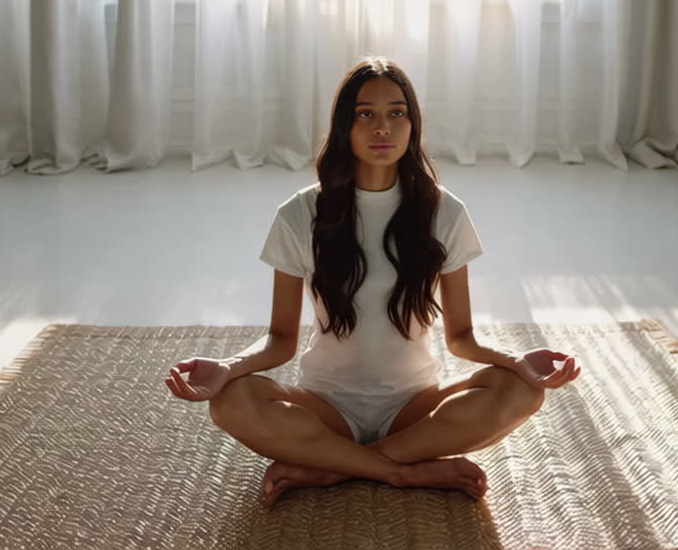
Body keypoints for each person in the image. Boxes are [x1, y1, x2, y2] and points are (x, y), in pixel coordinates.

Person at [165, 56, 581, 506]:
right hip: (326, 408)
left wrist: (514, 360)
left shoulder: (446, 212)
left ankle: (331, 468)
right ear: (345, 125)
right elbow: (280, 340)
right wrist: (230, 367)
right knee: (230, 400)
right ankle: (401, 473)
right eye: (366, 114)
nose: (382, 127)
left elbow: (461, 338)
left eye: (396, 113)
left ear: (412, 124)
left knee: (521, 391)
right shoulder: (299, 214)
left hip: (414, 409)